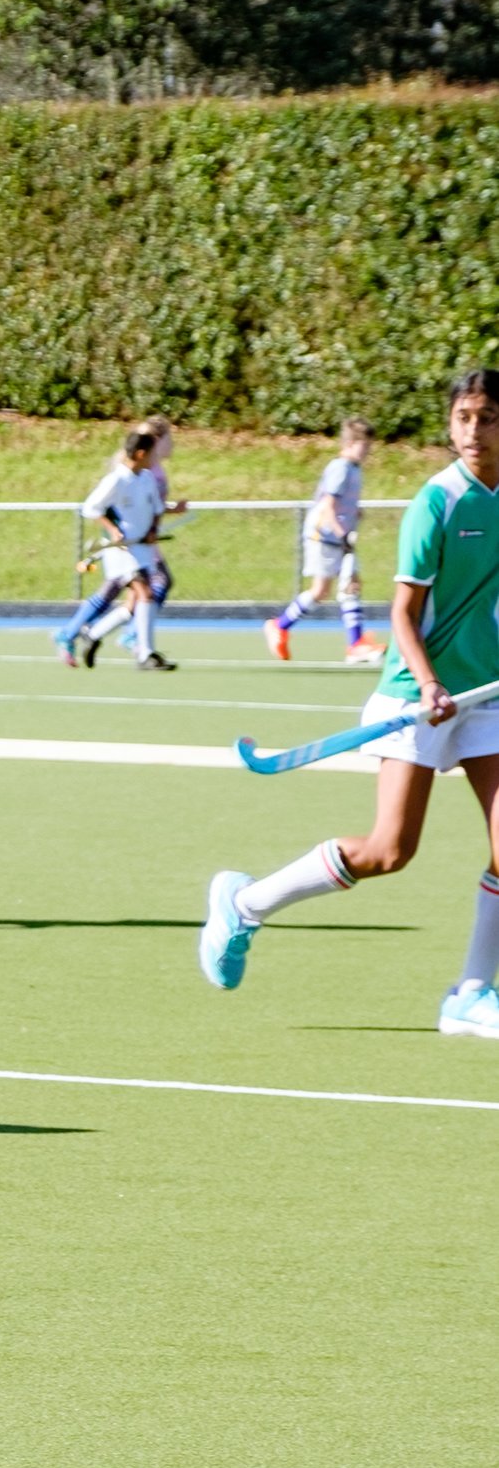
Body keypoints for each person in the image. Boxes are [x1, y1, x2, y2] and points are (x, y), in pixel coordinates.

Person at [201, 371, 499, 1038]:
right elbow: (402, 614)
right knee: (390, 851)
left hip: (486, 694)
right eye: (463, 417)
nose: (474, 430)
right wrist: (429, 683)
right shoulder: (438, 503)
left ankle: (471, 994)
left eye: (487, 417)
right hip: (418, 692)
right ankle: (245, 905)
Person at [59, 425, 181, 671]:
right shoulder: (116, 480)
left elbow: (156, 508)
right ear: (140, 454)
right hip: (121, 551)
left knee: (135, 603)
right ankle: (145, 655)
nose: (155, 458)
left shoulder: (146, 478)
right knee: (145, 593)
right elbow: (91, 508)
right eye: (152, 454)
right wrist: (112, 529)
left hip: (141, 549)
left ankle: (93, 634)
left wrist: (152, 529)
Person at [266, 418, 386, 665]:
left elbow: (343, 504)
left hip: (340, 537)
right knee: (320, 591)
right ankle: (279, 625)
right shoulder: (340, 468)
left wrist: (355, 513)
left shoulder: (354, 469)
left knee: (351, 586)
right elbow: (328, 506)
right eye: (365, 446)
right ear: (350, 444)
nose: (368, 451)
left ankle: (355, 644)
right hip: (324, 537)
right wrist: (342, 533)